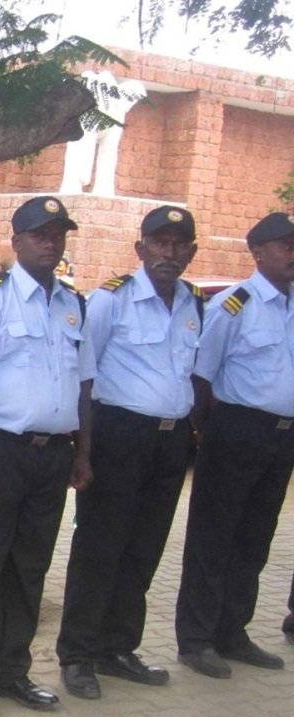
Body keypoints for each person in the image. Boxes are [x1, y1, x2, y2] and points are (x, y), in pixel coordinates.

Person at [0, 195, 95, 717]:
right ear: (17, 242)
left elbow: (84, 385)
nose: (51, 244)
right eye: (40, 235)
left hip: (52, 456)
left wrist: (83, 453)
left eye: (58, 235)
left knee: (29, 568)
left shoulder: (73, 305)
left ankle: (12, 671)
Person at [55, 206, 202, 698]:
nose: (168, 252)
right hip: (119, 435)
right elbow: (84, 376)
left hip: (170, 440)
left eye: (178, 244)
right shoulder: (110, 301)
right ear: (140, 248)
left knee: (144, 547)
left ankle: (118, 647)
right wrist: (83, 450)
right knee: (100, 546)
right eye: (159, 242)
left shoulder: (194, 303)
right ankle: (78, 655)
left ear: (191, 252)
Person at [174, 212, 294, 678]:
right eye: (285, 245)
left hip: (282, 437)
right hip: (236, 430)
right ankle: (196, 639)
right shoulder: (234, 305)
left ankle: (232, 631)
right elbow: (201, 376)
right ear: (257, 252)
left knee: (254, 537)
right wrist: (207, 431)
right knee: (214, 536)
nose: (293, 254)